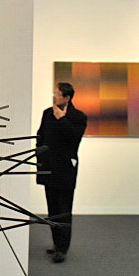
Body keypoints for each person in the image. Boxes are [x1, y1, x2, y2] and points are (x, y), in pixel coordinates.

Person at [36, 82, 87, 263]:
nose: (54, 97)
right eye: (54, 93)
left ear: (67, 98)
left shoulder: (78, 117)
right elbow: (40, 137)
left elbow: (74, 139)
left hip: (65, 169)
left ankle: (62, 248)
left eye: (57, 94)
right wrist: (40, 158)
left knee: (64, 209)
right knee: (52, 209)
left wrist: (62, 120)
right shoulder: (47, 114)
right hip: (49, 168)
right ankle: (56, 242)